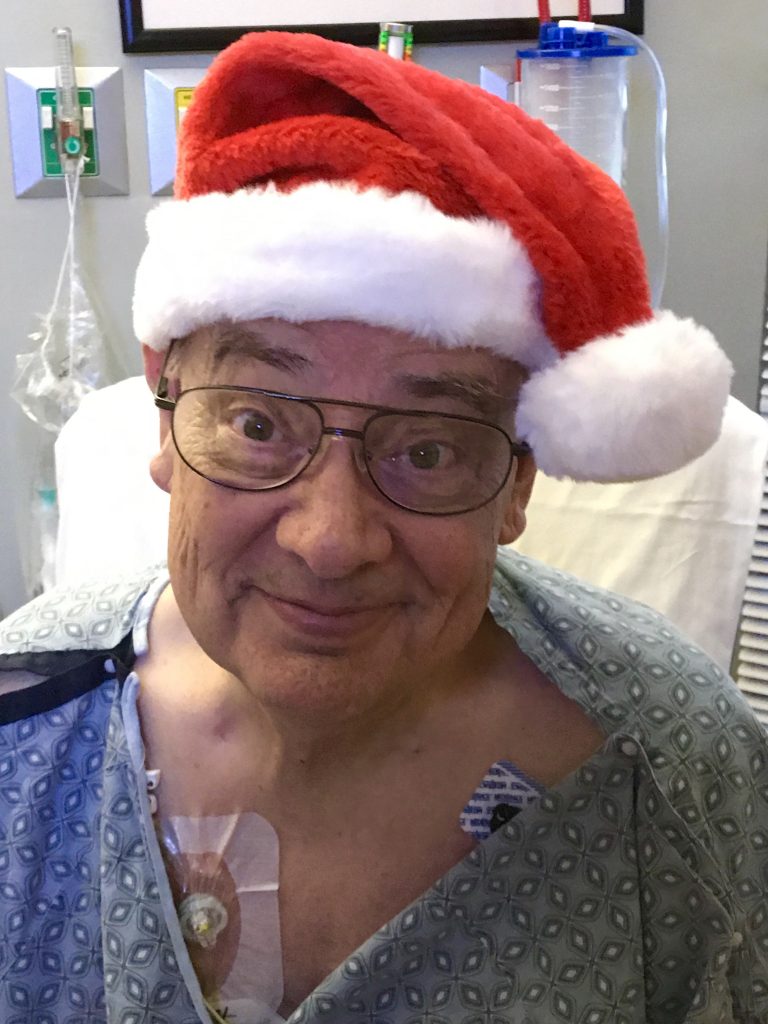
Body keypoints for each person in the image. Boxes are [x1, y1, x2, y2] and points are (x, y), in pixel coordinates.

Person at [0, 29, 765, 1024]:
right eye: (259, 423)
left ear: (518, 485)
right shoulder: (23, 732)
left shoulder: (673, 776)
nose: (330, 538)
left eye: (431, 449)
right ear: (163, 423)